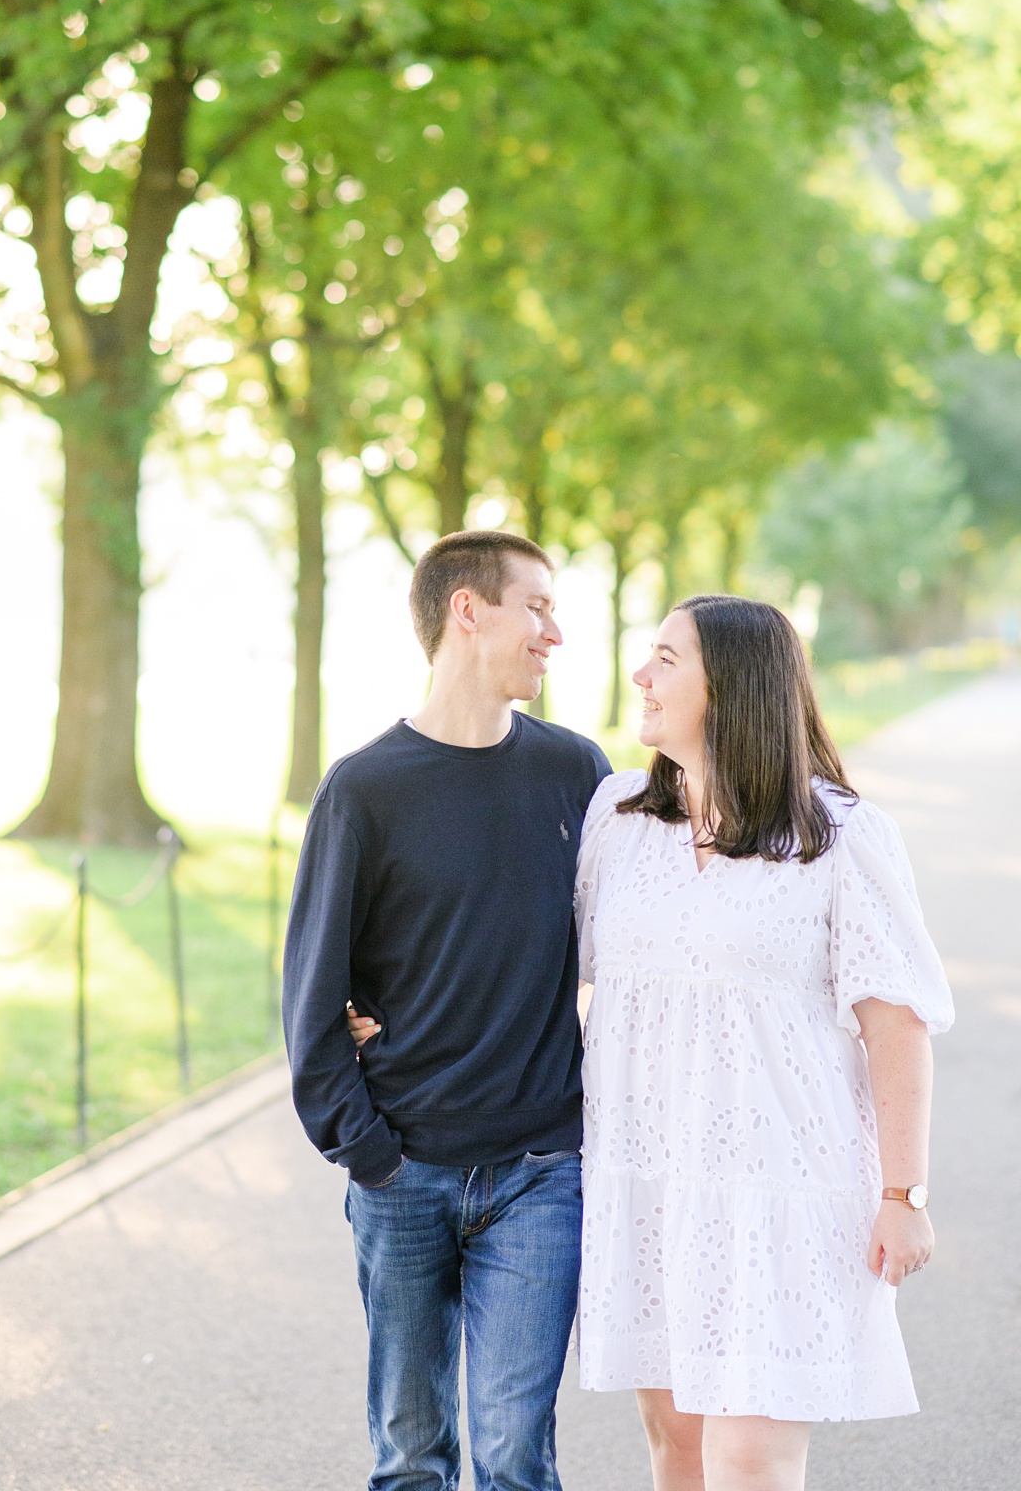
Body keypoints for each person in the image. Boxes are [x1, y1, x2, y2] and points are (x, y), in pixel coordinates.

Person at [570, 595, 950, 1489]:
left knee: (749, 1465)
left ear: (732, 688)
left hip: (779, 1187)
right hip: (647, 1182)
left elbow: (895, 1022)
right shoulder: (618, 816)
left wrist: (904, 1191)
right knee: (680, 1446)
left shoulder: (837, 835)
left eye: (666, 659)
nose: (641, 675)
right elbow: (547, 968)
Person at [282, 530, 610, 1491]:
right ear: (469, 611)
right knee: (411, 1457)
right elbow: (311, 994)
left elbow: (645, 931)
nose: (555, 631)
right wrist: (369, 1154)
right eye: (537, 606)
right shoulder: (365, 790)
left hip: (541, 1173)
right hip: (405, 1175)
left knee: (516, 1456)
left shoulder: (574, 773)